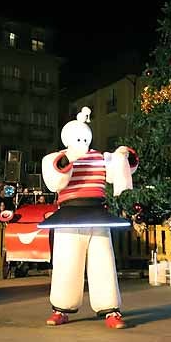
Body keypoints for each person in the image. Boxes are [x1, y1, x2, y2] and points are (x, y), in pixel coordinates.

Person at [39, 107, 138, 329]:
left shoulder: (101, 158)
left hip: (97, 214)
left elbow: (122, 171)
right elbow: (54, 181)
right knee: (66, 264)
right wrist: (69, 159)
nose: (81, 140)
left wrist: (124, 156)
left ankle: (111, 310)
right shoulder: (56, 157)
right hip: (68, 215)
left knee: (103, 262)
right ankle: (61, 309)